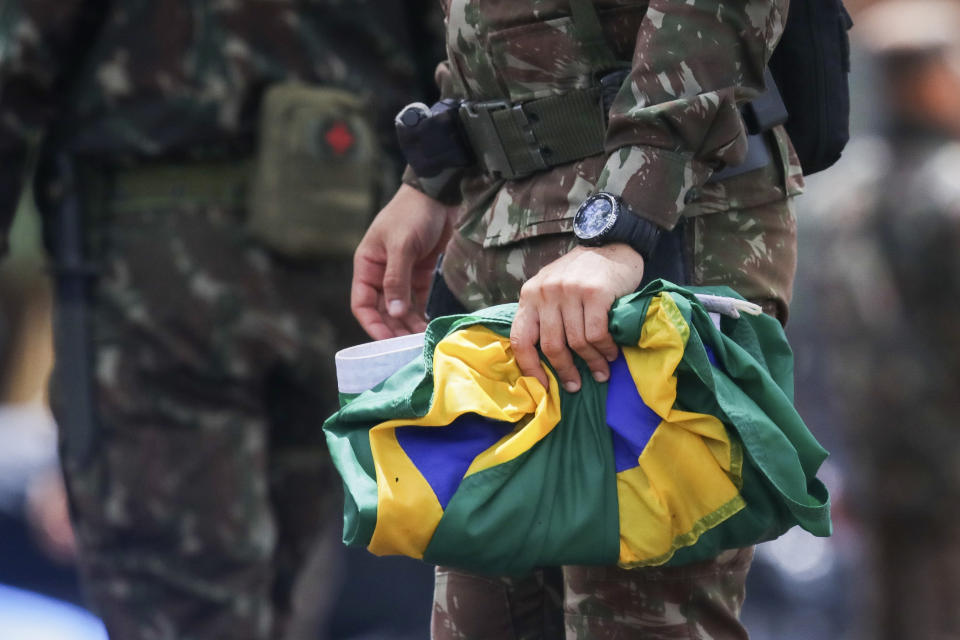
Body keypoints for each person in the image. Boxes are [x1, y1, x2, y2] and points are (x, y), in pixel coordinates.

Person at [352, 0, 808, 636]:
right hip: (500, 238)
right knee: (483, 617)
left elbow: (709, 20)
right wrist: (432, 174)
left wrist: (621, 222)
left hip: (665, 238)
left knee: (640, 616)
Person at [0, 1, 439, 638]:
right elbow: (459, 61)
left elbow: (17, 60)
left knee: (182, 608)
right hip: (350, 263)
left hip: (160, 281)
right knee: (280, 597)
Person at [802, 2, 960, 637]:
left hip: (870, 454)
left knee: (890, 610)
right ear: (924, 79)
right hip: (947, 454)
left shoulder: (840, 198)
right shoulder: (949, 194)